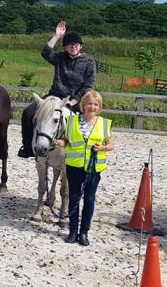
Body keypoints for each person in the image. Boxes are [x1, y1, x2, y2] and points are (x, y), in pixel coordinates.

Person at [18, 20, 96, 158]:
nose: (73, 47)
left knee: (86, 122)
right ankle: (27, 147)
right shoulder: (60, 57)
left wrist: (74, 101)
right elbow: (45, 53)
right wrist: (56, 36)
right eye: (69, 45)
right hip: (54, 96)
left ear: (81, 46)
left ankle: (83, 151)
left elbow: (88, 86)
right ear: (65, 47)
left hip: (75, 100)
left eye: (76, 44)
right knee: (28, 112)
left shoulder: (89, 62)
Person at [53, 90, 113, 246]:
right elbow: (67, 140)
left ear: (99, 107)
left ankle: (84, 232)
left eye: (95, 104)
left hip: (94, 167)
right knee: (73, 197)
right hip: (75, 166)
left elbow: (111, 144)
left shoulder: (104, 123)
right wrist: (61, 143)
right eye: (89, 104)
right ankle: (73, 231)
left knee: (89, 199)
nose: (92, 107)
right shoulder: (72, 121)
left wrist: (103, 148)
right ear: (83, 105)